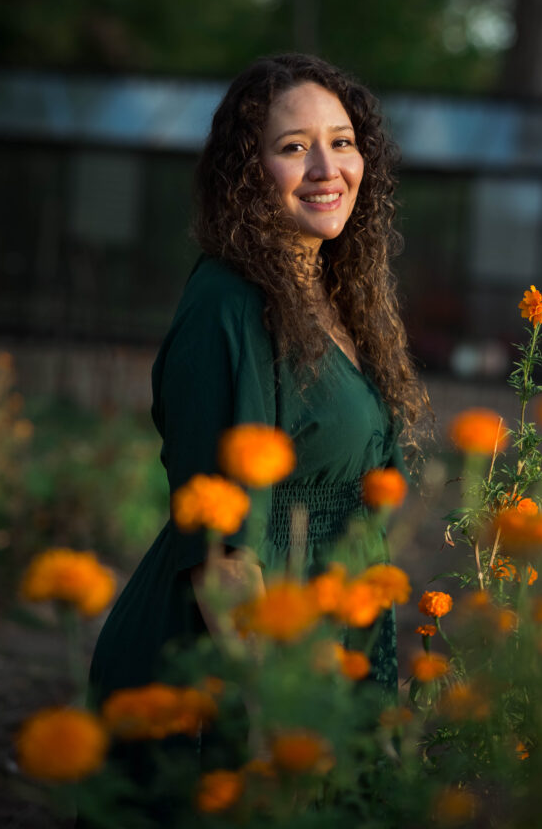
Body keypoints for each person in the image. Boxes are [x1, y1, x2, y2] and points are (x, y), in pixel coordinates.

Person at [85, 52, 429, 789]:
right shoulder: (228, 307)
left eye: (341, 141)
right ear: (248, 171)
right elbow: (224, 552)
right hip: (226, 675)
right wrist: (278, 710)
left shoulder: (339, 296)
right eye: (292, 147)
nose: (326, 168)